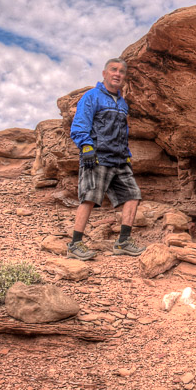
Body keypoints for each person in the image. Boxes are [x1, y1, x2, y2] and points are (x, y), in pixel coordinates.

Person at [66, 58, 146, 260]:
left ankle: (123, 242)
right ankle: (75, 245)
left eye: (121, 71)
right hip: (98, 157)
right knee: (89, 198)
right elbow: (79, 124)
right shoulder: (92, 96)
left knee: (133, 196)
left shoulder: (122, 104)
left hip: (119, 159)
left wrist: (127, 155)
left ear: (124, 77)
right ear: (104, 73)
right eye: (113, 70)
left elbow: (123, 132)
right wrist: (86, 147)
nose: (117, 74)